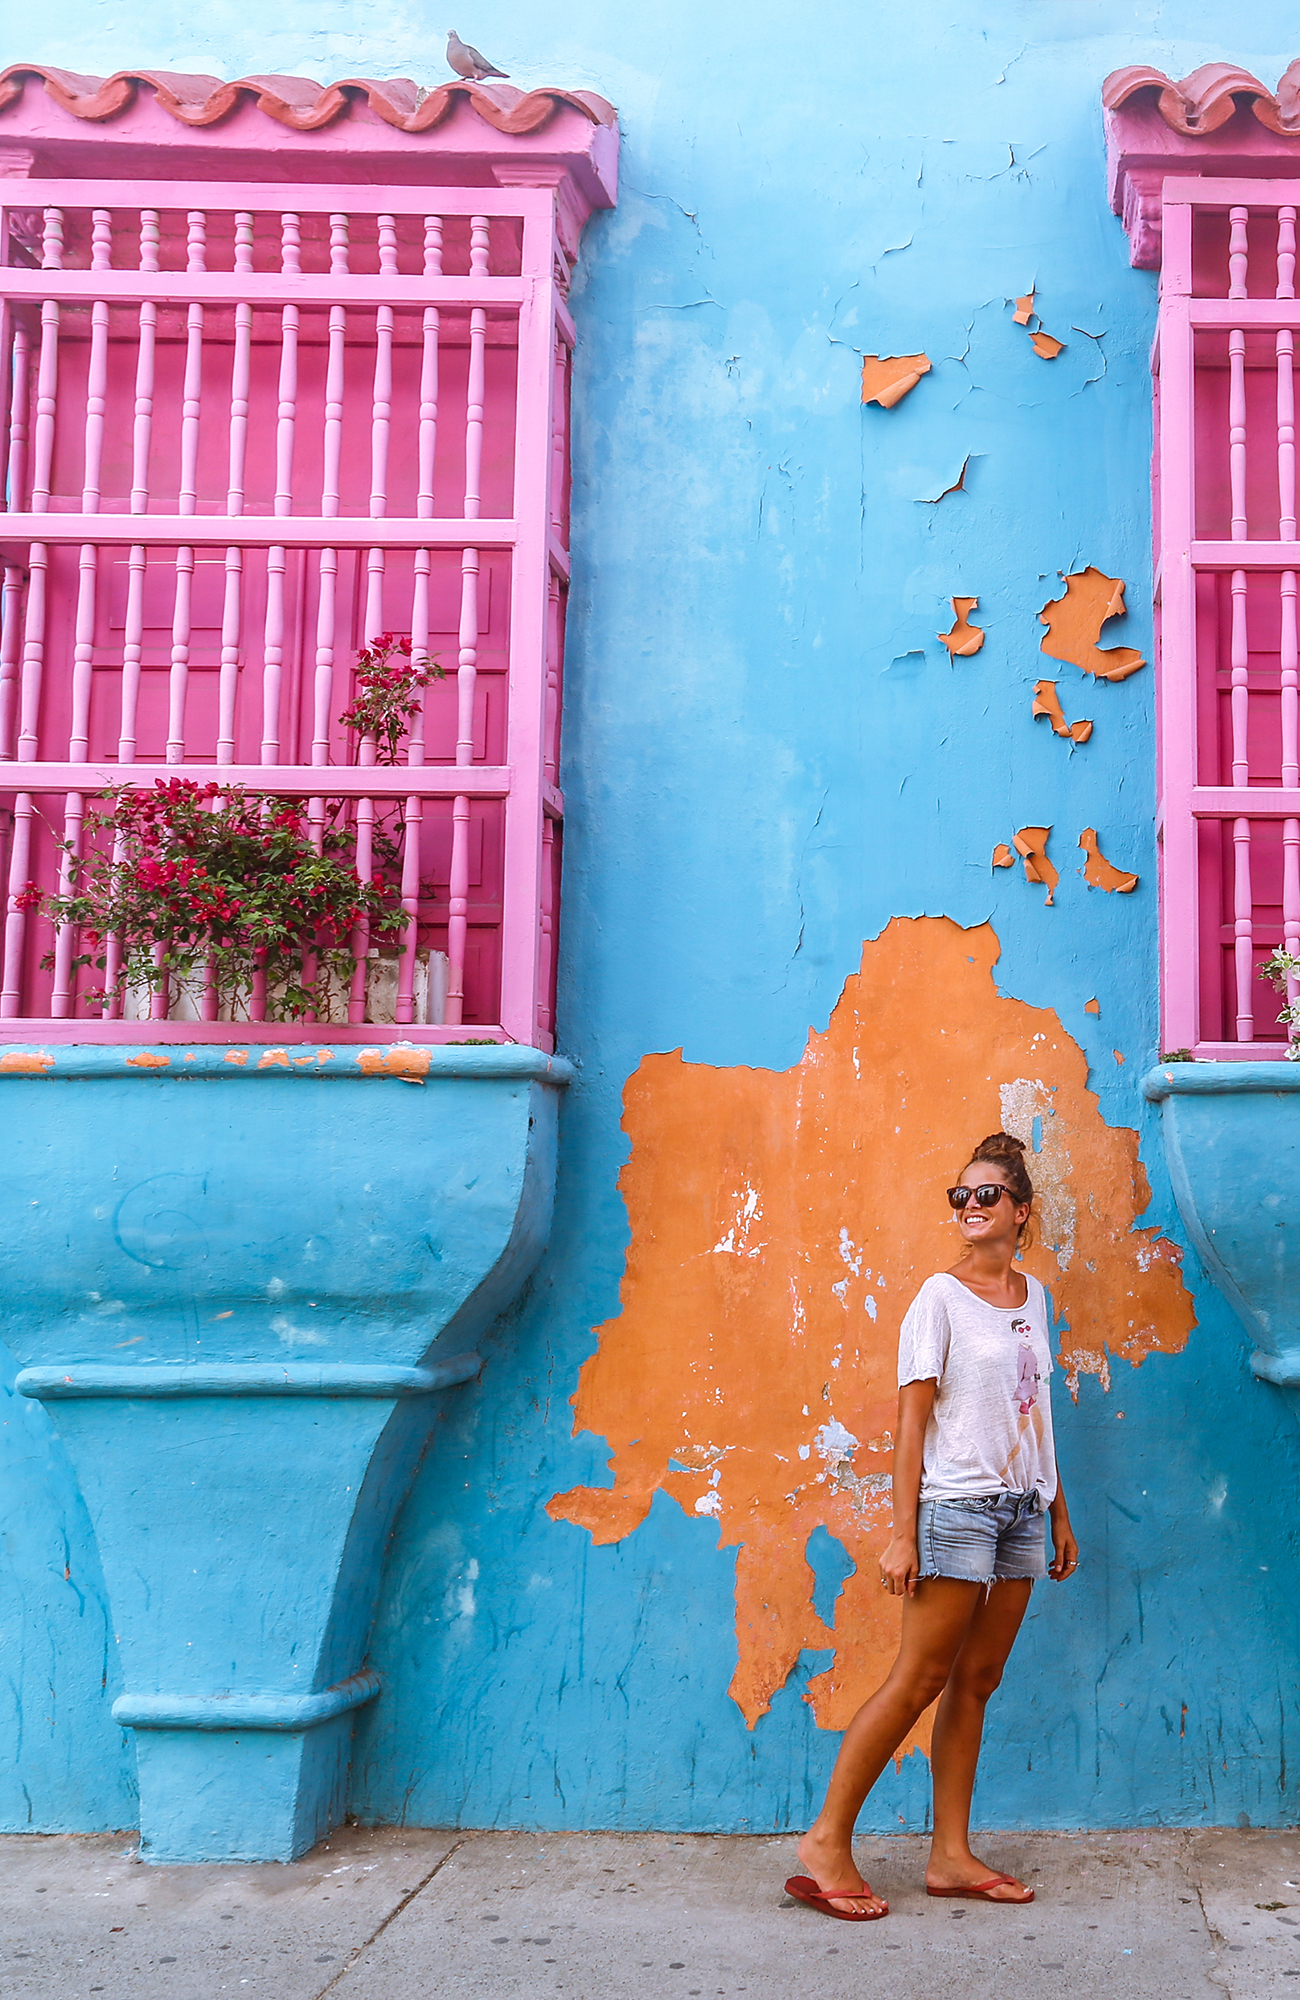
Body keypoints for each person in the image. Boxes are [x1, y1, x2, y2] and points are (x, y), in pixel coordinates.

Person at [785, 1131, 1079, 1921]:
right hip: (956, 1510)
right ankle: (826, 1842)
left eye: (988, 1195)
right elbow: (912, 1426)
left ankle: (950, 1856)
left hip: (1021, 1507)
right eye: (962, 1195)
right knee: (919, 1678)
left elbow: (1036, 1408)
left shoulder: (1036, 1298)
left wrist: (1057, 1508)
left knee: (978, 1682)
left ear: (1024, 1211)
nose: (972, 1207)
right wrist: (901, 1530)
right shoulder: (937, 1300)